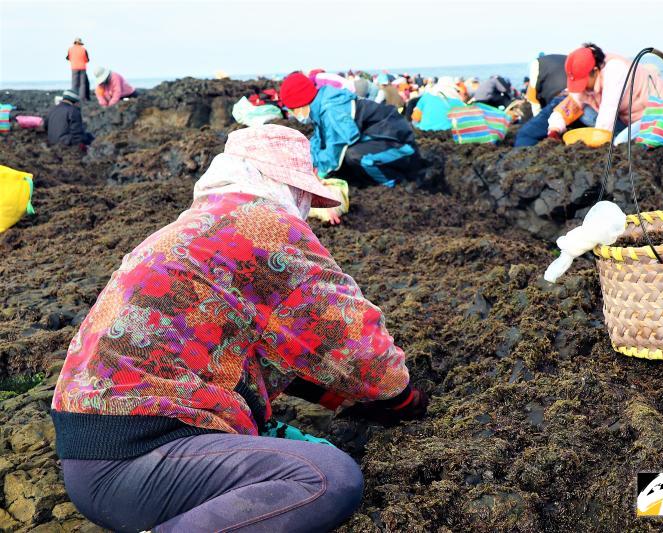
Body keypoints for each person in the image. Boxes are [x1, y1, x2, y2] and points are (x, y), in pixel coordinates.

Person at [51, 125, 429, 533]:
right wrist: (404, 401)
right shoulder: (263, 227)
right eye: (304, 195)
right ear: (284, 185)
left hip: (96, 453)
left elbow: (239, 344)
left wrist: (328, 395)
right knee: (326, 478)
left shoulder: (198, 226)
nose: (305, 208)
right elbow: (349, 337)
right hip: (137, 457)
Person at [280, 72, 424, 188]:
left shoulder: (332, 110)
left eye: (292, 110)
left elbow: (336, 147)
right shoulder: (320, 107)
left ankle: (393, 183)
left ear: (301, 104)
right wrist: (306, 163)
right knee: (345, 160)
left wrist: (317, 176)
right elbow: (319, 141)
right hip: (377, 138)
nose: (293, 114)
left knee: (353, 155)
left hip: (399, 141)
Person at [515, 44, 663, 148]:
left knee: (619, 143)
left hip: (653, 117)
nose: (581, 88)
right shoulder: (588, 81)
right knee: (581, 111)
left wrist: (595, 145)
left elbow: (607, 115)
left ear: (595, 70)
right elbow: (570, 104)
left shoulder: (615, 70)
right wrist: (554, 130)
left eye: (584, 82)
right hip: (626, 118)